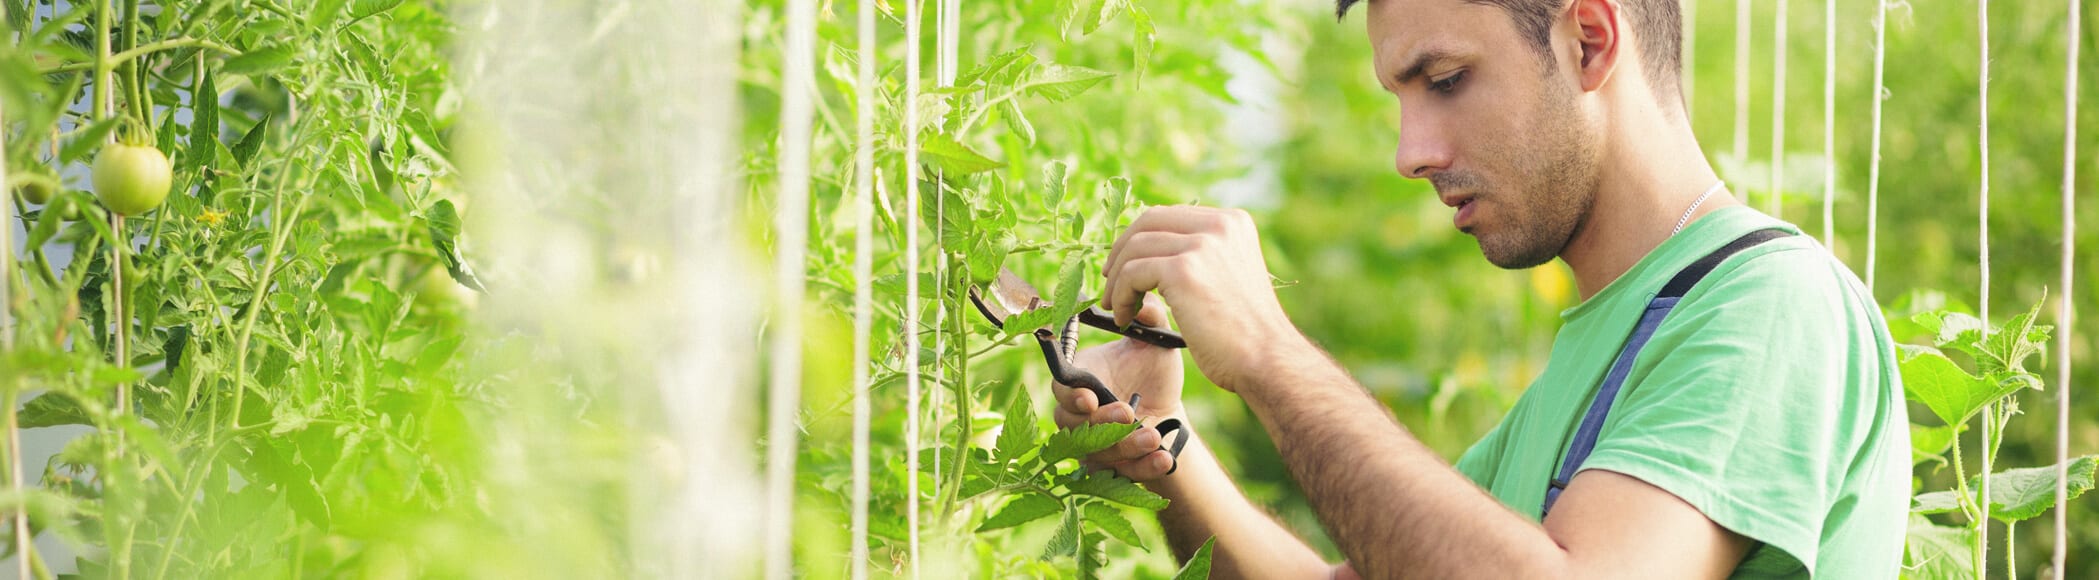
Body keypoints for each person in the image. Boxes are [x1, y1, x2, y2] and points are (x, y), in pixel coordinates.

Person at [1054, 0, 1911, 577]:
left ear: (1589, 40)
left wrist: (1271, 357)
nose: (1409, 152)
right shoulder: (1610, 340)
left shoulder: (1768, 303)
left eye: (1446, 80)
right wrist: (1162, 443)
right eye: (1400, 97)